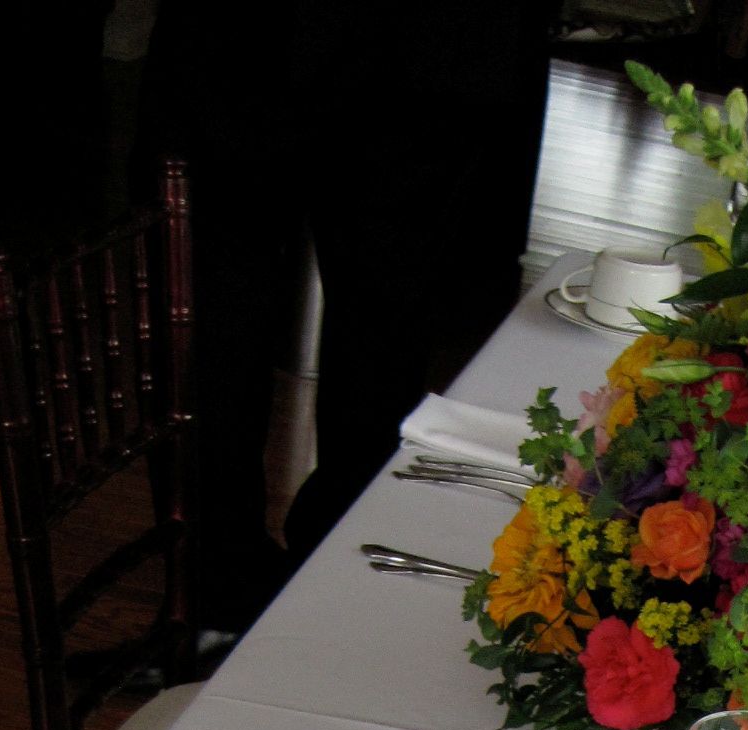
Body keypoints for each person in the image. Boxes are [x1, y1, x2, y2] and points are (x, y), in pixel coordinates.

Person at [135, 2, 558, 629]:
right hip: (422, 43)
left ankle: (234, 593)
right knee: (371, 327)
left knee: (236, 311)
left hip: (294, 39)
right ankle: (325, 586)